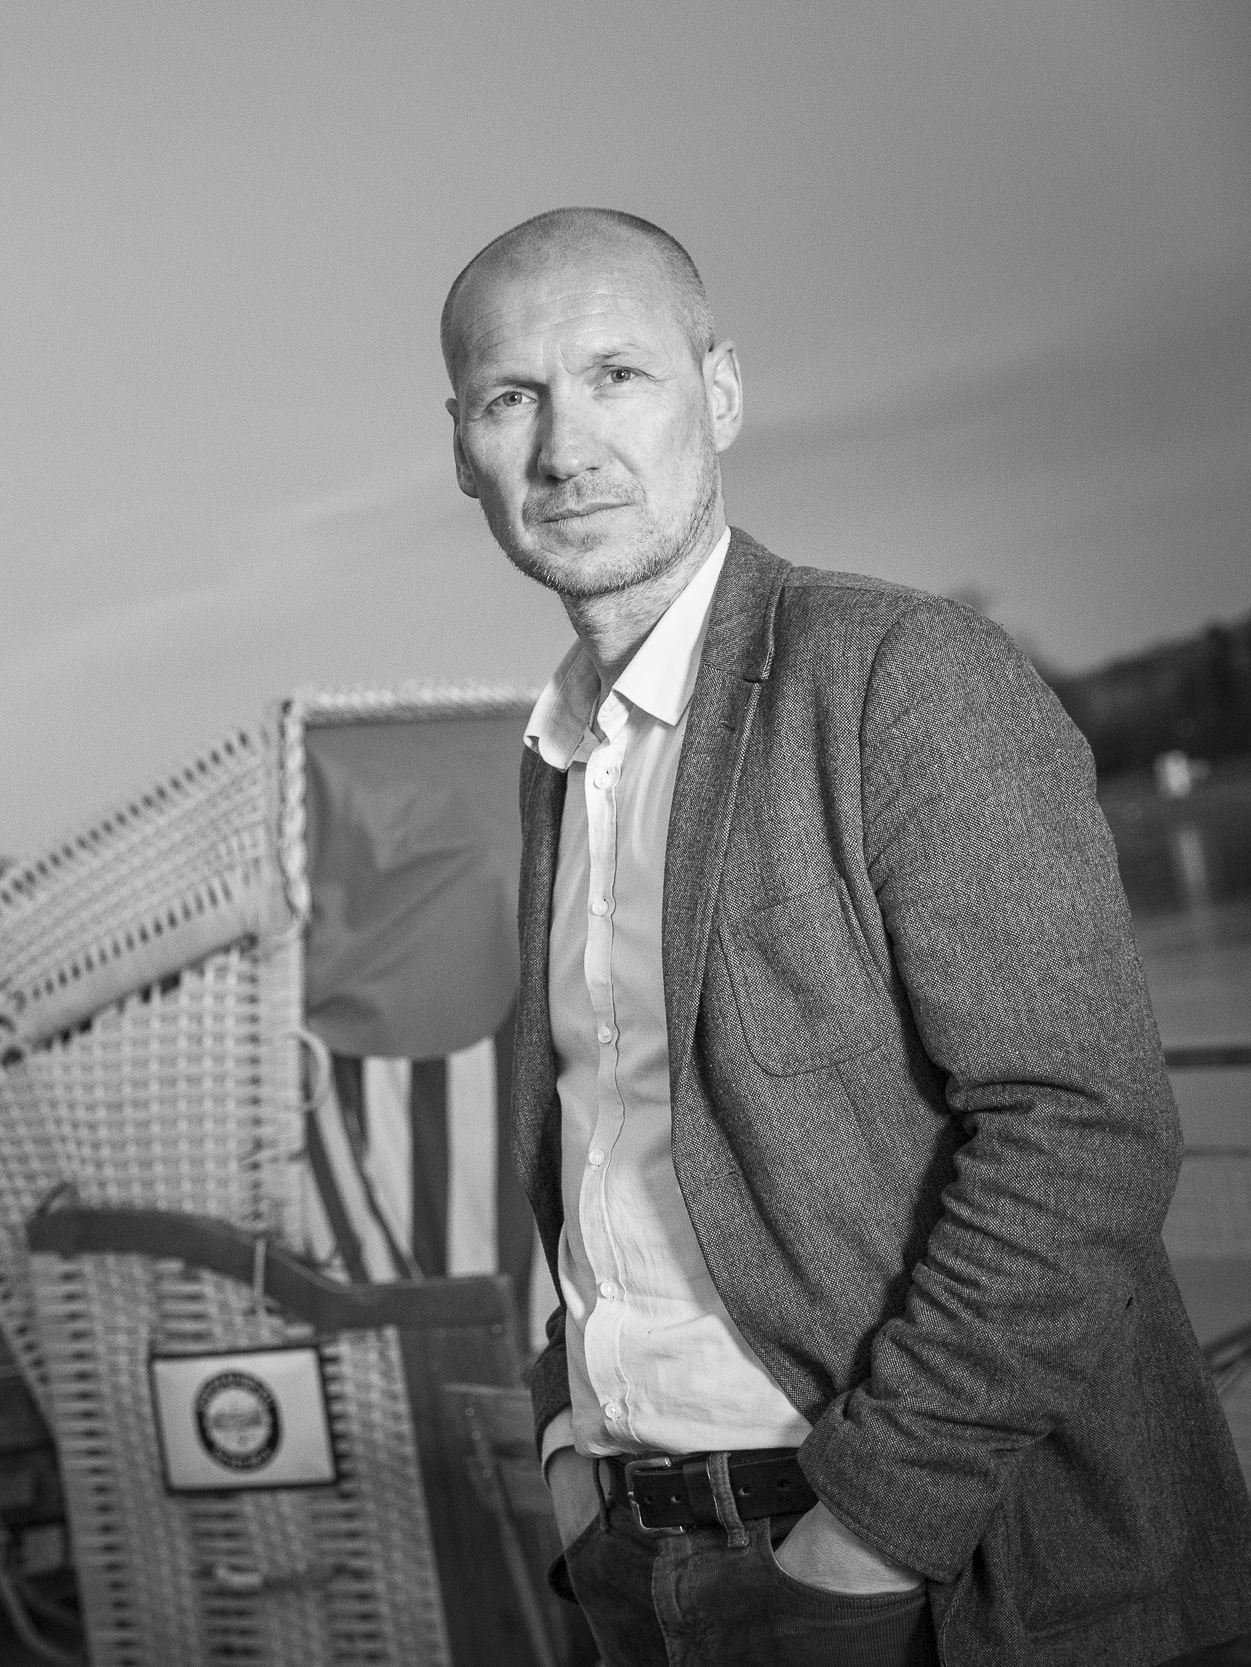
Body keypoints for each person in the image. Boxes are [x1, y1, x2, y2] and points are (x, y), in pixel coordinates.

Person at [439, 207, 1251, 1667]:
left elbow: (1084, 1129)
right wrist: (568, 1438)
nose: (565, 448)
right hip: (636, 1559)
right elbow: (607, 1144)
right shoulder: (560, 757)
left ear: (720, 394)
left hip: (919, 1571)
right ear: (463, 450)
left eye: (618, 375)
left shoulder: (902, 677)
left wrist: (871, 1530)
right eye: (512, 398)